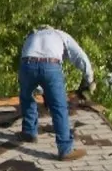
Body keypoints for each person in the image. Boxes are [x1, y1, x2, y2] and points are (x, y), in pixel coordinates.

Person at [18, 25, 96, 162]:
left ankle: (29, 132)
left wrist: (42, 92)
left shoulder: (32, 36)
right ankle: (65, 150)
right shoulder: (61, 35)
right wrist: (89, 79)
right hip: (51, 66)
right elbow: (79, 56)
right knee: (59, 107)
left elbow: (33, 68)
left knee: (27, 97)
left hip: (27, 64)